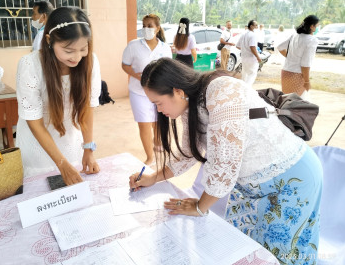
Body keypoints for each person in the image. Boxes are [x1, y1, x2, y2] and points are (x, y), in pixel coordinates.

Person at [129, 57, 323, 265]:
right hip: (255, 186)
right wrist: (153, 177)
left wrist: (199, 207)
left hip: (290, 178)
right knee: (249, 249)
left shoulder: (222, 93)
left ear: (177, 91)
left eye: (158, 103)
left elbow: (224, 164)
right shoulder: (191, 103)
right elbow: (188, 153)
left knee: (283, 252)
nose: (158, 111)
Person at [16, 6, 101, 184]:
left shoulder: (90, 62)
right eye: (69, 51)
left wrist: (88, 148)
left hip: (70, 141)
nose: (77, 58)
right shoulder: (30, 65)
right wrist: (61, 163)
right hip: (37, 146)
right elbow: (34, 122)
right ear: (49, 40)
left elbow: (87, 109)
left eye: (83, 49)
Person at [122, 14, 172, 165]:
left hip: (158, 92)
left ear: (157, 28)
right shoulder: (133, 46)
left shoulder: (165, 48)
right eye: (144, 26)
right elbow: (125, 65)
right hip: (138, 92)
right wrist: (136, 76)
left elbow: (168, 68)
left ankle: (157, 142)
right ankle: (150, 157)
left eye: (150, 26)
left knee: (157, 121)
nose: (146, 29)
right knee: (144, 123)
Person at [277, 15, 319, 101]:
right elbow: (305, 63)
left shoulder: (295, 35)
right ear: (312, 26)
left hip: (286, 72)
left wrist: (291, 57)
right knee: (296, 103)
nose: (317, 28)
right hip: (297, 75)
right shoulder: (312, 40)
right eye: (317, 26)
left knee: (287, 101)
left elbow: (280, 47)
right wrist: (307, 81)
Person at [236, 20, 261, 85]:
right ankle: (247, 89)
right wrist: (258, 57)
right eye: (255, 25)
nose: (257, 27)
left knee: (245, 75)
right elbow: (252, 47)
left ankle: (243, 89)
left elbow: (237, 46)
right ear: (251, 26)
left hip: (244, 58)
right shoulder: (253, 35)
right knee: (252, 74)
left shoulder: (243, 34)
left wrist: (245, 49)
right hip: (251, 58)